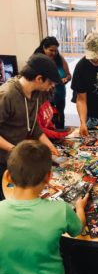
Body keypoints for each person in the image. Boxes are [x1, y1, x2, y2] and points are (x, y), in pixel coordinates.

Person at [0, 140, 88, 274]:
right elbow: (78, 229)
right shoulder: (60, 209)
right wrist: (80, 208)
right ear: (48, 177)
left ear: (8, 176)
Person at [0, 53, 60, 200]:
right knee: (8, 200)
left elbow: (32, 126)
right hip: (3, 160)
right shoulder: (7, 95)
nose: (51, 87)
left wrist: (50, 146)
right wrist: (14, 150)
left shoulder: (37, 94)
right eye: (50, 83)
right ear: (39, 78)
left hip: (18, 158)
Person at [34, 36, 71, 129]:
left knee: (60, 115)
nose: (54, 53)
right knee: (47, 119)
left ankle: (61, 136)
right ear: (44, 48)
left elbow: (69, 75)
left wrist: (66, 79)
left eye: (56, 51)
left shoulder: (59, 59)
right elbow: (34, 80)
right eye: (51, 50)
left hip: (60, 94)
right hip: (44, 96)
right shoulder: (37, 60)